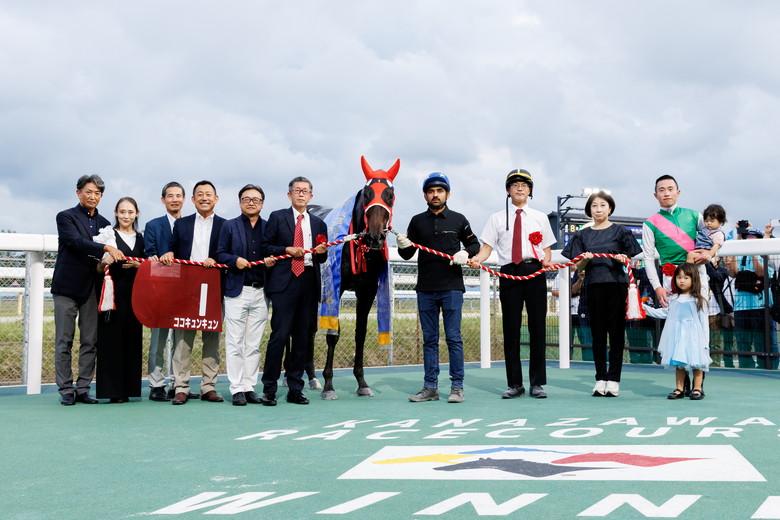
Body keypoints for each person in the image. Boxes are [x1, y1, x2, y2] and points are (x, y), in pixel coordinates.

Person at [468, 169, 556, 399]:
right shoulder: (496, 218)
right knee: (511, 329)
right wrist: (477, 259)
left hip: (535, 272)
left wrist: (547, 261)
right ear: (508, 190)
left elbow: (546, 249)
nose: (519, 188)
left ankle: (537, 383)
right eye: (515, 185)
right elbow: (487, 248)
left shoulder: (540, 218)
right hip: (509, 273)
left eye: (524, 185)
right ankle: (515, 384)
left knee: (538, 328)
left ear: (530, 190)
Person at [396, 172, 480, 403]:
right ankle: (430, 387)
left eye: (440, 191)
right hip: (425, 288)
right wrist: (402, 244)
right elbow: (407, 254)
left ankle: (457, 387)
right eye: (431, 191)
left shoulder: (459, 219)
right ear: (425, 195)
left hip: (452, 288)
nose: (435, 195)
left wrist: (465, 252)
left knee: (454, 338)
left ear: (447, 194)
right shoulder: (416, 221)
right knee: (430, 340)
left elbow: (474, 243)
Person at [52, 175, 124, 406]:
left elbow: (104, 257)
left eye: (97, 193)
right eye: (88, 192)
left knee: (90, 341)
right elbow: (75, 242)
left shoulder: (105, 222)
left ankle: (83, 388)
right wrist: (106, 247)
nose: (93, 196)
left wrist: (107, 259)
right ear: (78, 193)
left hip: (92, 287)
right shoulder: (65, 217)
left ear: (101, 196)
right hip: (66, 287)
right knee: (64, 340)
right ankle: (66, 389)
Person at [562, 191, 642, 397]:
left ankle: (614, 380)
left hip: (616, 286)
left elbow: (632, 258)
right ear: (589, 210)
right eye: (594, 206)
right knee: (597, 334)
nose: (598, 209)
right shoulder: (582, 235)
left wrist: (624, 258)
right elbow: (577, 266)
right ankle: (600, 379)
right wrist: (586, 259)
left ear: (610, 208)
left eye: (603, 205)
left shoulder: (621, 231)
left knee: (616, 334)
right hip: (593, 286)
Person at [260, 176, 328, 406]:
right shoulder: (277, 217)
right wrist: (286, 249)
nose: (301, 194)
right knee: (279, 335)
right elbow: (266, 247)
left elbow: (322, 258)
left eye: (305, 191)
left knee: (302, 338)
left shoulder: (319, 224)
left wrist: (320, 252)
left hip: (308, 281)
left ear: (311, 196)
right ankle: (269, 388)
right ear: (289, 195)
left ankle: (295, 388)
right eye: (297, 190)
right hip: (284, 281)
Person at [160, 180, 226, 404]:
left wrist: (216, 259)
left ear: (216, 198)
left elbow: (228, 253)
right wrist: (169, 253)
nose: (204, 198)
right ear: (193, 199)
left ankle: (209, 387)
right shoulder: (182, 224)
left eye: (208, 194)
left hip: (214, 288)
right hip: (186, 289)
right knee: (182, 341)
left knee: (212, 339)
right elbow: (173, 249)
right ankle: (181, 387)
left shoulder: (226, 225)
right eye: (200, 194)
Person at [216, 184, 275, 406]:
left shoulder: (269, 227)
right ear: (240, 202)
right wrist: (235, 260)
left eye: (256, 199)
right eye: (246, 199)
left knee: (253, 344)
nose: (251, 202)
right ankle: (236, 388)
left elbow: (274, 251)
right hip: (236, 291)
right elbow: (220, 253)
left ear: (262, 203)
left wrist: (271, 261)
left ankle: (249, 386)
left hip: (261, 292)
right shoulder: (229, 226)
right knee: (235, 342)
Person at [94, 197, 146, 403]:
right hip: (113, 296)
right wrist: (104, 262)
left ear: (137, 214)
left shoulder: (141, 239)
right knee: (111, 341)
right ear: (116, 212)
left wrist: (140, 266)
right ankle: (113, 391)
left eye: (130, 212)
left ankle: (129, 389)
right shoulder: (108, 236)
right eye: (122, 212)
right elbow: (98, 268)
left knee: (133, 340)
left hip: (135, 296)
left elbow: (150, 266)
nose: (126, 216)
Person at [143, 181, 186, 402]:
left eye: (178, 196)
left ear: (184, 199)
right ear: (163, 200)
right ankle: (156, 383)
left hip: (185, 292)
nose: (174, 199)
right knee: (158, 340)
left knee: (181, 341)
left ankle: (178, 384)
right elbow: (148, 254)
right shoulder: (153, 225)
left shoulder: (190, 224)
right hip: (160, 291)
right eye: (170, 196)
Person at [644, 263, 712, 400]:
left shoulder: (699, 300)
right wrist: (643, 308)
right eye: (679, 277)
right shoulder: (673, 298)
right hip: (677, 338)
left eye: (686, 278)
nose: (682, 281)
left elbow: (704, 322)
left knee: (697, 363)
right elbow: (664, 313)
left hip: (694, 338)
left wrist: (705, 341)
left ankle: (697, 388)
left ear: (694, 279)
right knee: (679, 364)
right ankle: (679, 388)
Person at [727, 226, 775, 368]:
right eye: (747, 237)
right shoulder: (740, 254)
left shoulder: (767, 254)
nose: (749, 239)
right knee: (743, 343)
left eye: (753, 237)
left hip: (760, 306)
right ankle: (746, 369)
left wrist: (754, 251)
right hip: (741, 307)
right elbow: (733, 273)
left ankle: (766, 369)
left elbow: (761, 273)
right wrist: (737, 245)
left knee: (762, 342)